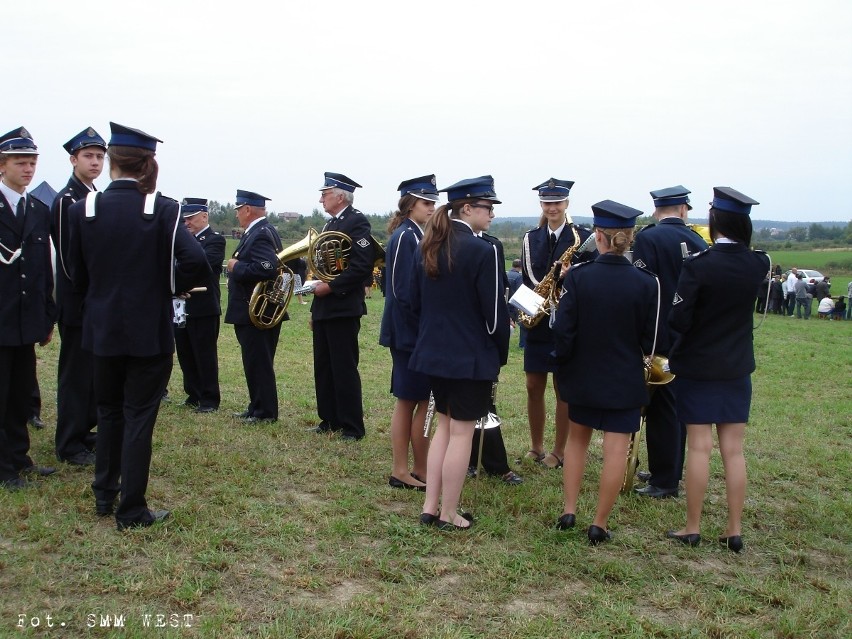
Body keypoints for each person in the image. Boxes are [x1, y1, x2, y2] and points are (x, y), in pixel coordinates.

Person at [67, 122, 209, 528]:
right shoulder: (163, 210)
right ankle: (131, 508)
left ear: (111, 161)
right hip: (149, 332)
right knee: (138, 418)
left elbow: (75, 275)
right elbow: (196, 262)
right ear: (148, 165)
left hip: (101, 330)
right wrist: (170, 288)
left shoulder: (84, 210)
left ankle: (103, 493)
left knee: (109, 411)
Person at [666, 187, 770, 553]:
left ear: (714, 221)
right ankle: (734, 528)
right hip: (737, 366)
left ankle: (692, 526)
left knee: (698, 448)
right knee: (734, 451)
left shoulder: (698, 265)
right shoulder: (759, 263)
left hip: (698, 366)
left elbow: (679, 317)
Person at [552, 200, 658, 545]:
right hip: (624, 378)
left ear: (597, 236)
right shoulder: (647, 283)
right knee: (615, 451)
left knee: (577, 443)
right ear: (630, 238)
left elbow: (563, 332)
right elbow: (651, 341)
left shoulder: (579, 278)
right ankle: (599, 523)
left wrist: (565, 366)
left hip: (583, 375)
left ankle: (569, 510)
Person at [407, 175, 510, 530]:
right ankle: (448, 513)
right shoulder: (484, 250)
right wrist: (498, 355)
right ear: (467, 208)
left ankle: (430, 505)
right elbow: (495, 315)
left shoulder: (429, 244)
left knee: (444, 428)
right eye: (488, 207)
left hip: (434, 353)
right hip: (469, 356)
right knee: (461, 433)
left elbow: (414, 302)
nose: (493, 214)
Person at [631, 186, 708, 499]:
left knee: (662, 409)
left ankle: (664, 480)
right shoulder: (699, 240)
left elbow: (644, 289)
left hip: (659, 335)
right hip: (690, 337)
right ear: (683, 209)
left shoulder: (648, 238)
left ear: (656, 210)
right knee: (677, 408)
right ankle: (670, 468)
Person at [519, 178, 595, 469]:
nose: (552, 207)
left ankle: (559, 450)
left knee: (562, 387)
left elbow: (592, 277)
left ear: (566, 204)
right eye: (546, 202)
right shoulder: (530, 237)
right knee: (532, 384)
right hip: (537, 318)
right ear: (541, 204)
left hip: (567, 320)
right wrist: (526, 314)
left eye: (557, 202)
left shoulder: (583, 237)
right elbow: (527, 280)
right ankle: (536, 445)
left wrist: (570, 275)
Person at [0, 126, 57, 490]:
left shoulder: (37, 208)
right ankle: (4, 469)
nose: (28, 169)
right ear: (2, 165)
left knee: (21, 392)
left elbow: (42, 268)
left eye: (32, 162)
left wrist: (47, 316)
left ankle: (20, 458)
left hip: (25, 320)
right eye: (20, 162)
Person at [51, 127, 107, 465]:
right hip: (77, 302)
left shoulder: (92, 196)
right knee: (74, 374)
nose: (95, 162)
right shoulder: (66, 200)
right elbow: (69, 259)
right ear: (73, 159)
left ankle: (84, 429)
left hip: (93, 301)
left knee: (90, 372)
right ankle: (69, 442)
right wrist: (88, 295)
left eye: (100, 157)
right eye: (88, 156)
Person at [379, 175, 437, 491]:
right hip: (409, 333)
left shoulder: (417, 234)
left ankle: (418, 468)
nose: (431, 208)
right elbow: (402, 292)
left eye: (433, 203)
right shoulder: (405, 237)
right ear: (409, 204)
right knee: (410, 400)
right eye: (426, 203)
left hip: (412, 332)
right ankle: (404, 469)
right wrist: (425, 328)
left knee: (417, 400)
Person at [309, 173, 376, 441]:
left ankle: (351, 425)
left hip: (344, 306)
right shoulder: (329, 225)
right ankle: (329, 419)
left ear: (339, 196)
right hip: (325, 306)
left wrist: (332, 287)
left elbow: (361, 265)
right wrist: (315, 307)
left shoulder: (356, 221)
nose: (321, 199)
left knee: (344, 367)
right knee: (323, 366)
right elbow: (321, 265)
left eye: (324, 194)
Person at [225, 190, 284, 423]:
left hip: (257, 311)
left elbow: (267, 267)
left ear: (247, 209)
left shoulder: (260, 233)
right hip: (256, 309)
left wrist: (235, 267)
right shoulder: (260, 231)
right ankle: (256, 406)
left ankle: (264, 412)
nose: (238, 214)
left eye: (238, 210)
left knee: (258, 362)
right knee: (255, 362)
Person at [175, 198, 225, 413]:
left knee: (204, 354)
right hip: (181, 306)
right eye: (183, 219)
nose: (186, 223)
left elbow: (202, 264)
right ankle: (193, 393)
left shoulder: (214, 240)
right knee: (185, 352)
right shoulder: (181, 240)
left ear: (204, 216)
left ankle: (209, 398)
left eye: (191, 218)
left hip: (203, 305)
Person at [507, 259, 523, 347]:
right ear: (520, 267)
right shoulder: (518, 277)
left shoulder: (506, 274)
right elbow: (520, 290)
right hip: (514, 304)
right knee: (521, 324)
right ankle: (522, 344)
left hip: (506, 302)